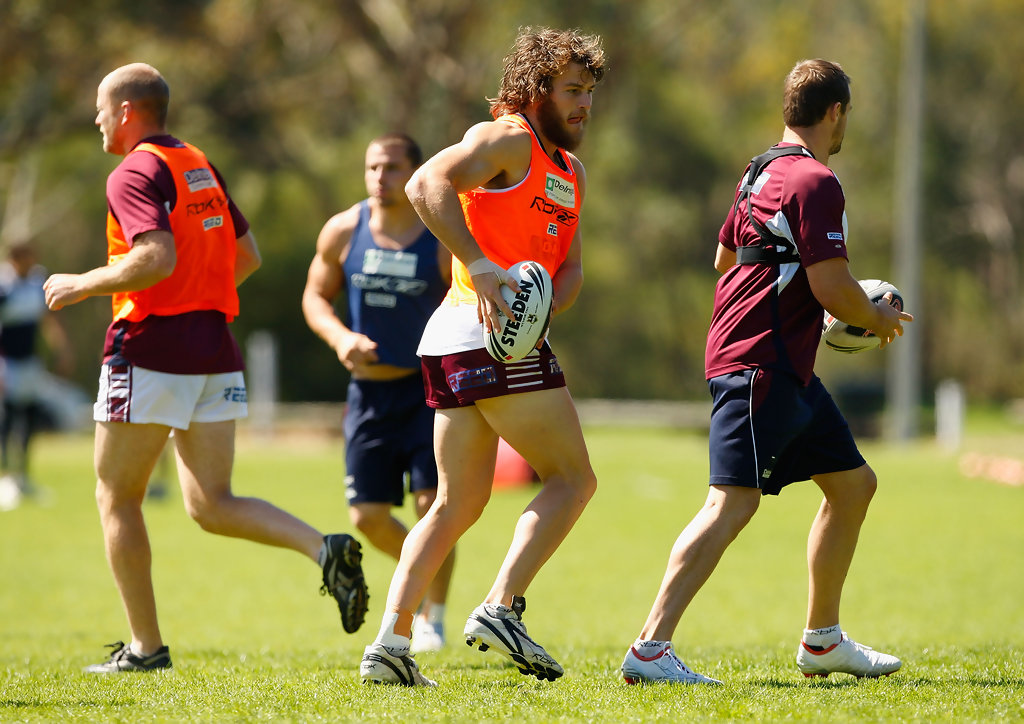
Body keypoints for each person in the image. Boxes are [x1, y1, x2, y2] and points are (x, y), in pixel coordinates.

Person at [42, 62, 368, 674]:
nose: (94, 119)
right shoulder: (197, 162)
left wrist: (83, 283)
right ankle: (322, 546)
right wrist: (199, 299)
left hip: (148, 351)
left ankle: (145, 649)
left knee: (116, 497)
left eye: (99, 108)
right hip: (214, 350)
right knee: (211, 504)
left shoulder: (131, 171)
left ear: (126, 113)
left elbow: (156, 258)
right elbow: (247, 255)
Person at [620, 59, 914, 685]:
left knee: (854, 485)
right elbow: (833, 287)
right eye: (846, 116)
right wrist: (875, 316)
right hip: (762, 361)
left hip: (786, 366)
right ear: (835, 112)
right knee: (731, 503)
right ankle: (650, 647)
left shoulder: (759, 171)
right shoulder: (816, 180)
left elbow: (726, 256)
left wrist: (800, 299)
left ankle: (822, 640)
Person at [358, 26, 606, 688]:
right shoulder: (507, 139)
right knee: (573, 479)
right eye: (572, 91)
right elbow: (423, 184)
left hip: (458, 344)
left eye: (590, 92)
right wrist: (478, 263)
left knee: (454, 504)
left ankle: (391, 643)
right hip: (477, 331)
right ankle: (501, 606)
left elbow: (572, 267)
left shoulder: (571, 172)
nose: (584, 105)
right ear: (536, 89)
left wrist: (544, 307)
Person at [302, 133, 454, 653]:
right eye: (372, 167)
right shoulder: (344, 230)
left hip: (429, 394)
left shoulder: (438, 236)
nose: (379, 178)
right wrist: (340, 337)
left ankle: (432, 615)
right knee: (366, 516)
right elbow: (315, 296)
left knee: (433, 503)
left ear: (414, 173)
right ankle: (421, 570)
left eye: (391, 168)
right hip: (368, 396)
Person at [0, 241, 74, 510]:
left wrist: (62, 350)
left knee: (29, 417)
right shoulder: (3, 286)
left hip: (31, 363)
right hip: (7, 362)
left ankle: (23, 476)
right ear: (15, 258)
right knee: (8, 419)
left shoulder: (37, 281)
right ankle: (6, 477)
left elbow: (48, 320)